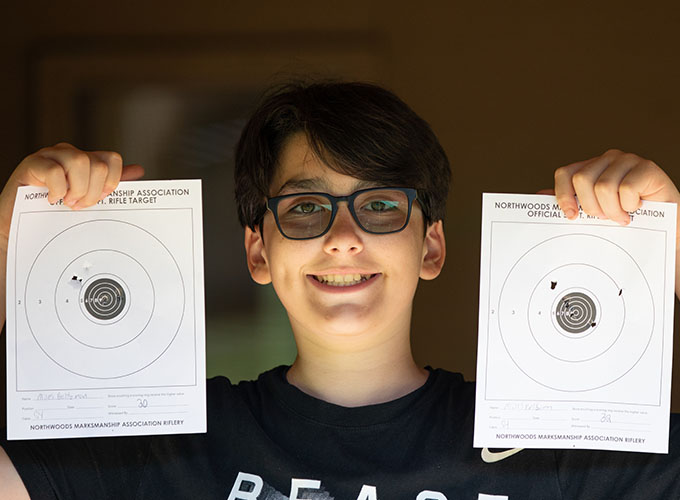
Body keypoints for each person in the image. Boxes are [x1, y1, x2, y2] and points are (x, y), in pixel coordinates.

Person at [1, 80, 680, 499]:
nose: (343, 236)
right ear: (259, 251)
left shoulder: (551, 443)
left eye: (381, 206)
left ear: (432, 246)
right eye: (303, 208)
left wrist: (673, 254)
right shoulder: (168, 440)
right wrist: (7, 245)